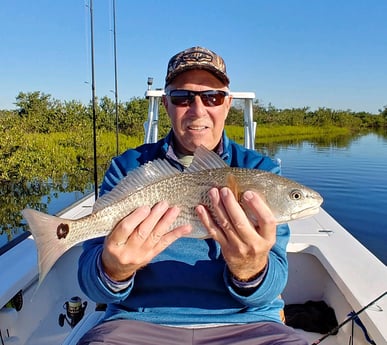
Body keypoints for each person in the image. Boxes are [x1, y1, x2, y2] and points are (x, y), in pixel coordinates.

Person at [77, 46, 308, 345]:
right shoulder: (129, 169)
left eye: (212, 97)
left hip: (247, 322)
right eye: (182, 98)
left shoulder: (260, 170)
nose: (198, 110)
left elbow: (273, 284)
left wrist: (251, 269)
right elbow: (91, 287)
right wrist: (113, 269)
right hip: (138, 322)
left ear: (228, 104)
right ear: (166, 104)